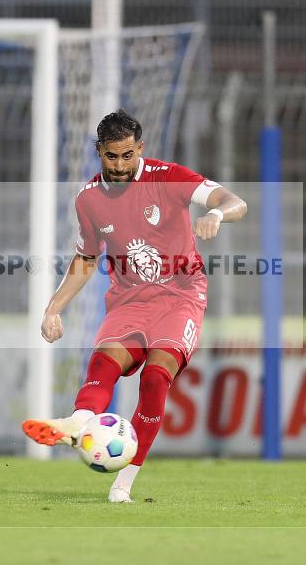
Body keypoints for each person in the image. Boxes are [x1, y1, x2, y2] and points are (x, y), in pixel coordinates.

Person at [22, 109, 247, 502]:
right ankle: (78, 424)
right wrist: (53, 307)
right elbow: (87, 259)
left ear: (140, 148)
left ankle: (123, 484)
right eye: (112, 156)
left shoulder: (169, 177)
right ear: (99, 152)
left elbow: (235, 201)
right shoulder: (89, 199)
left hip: (181, 296)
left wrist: (216, 213)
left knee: (156, 377)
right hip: (129, 299)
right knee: (106, 360)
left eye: (128, 155)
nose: (121, 164)